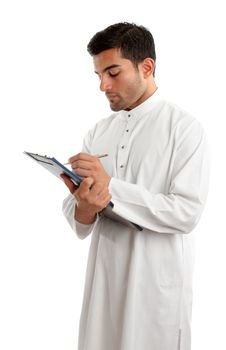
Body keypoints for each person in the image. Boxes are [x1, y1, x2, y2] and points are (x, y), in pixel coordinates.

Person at [61, 22, 209, 350]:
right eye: (98, 75)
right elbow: (80, 221)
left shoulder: (184, 129)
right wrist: (84, 206)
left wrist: (111, 186)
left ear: (147, 66)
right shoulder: (98, 132)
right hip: (104, 285)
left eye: (113, 72)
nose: (103, 85)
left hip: (155, 289)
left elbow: (187, 213)